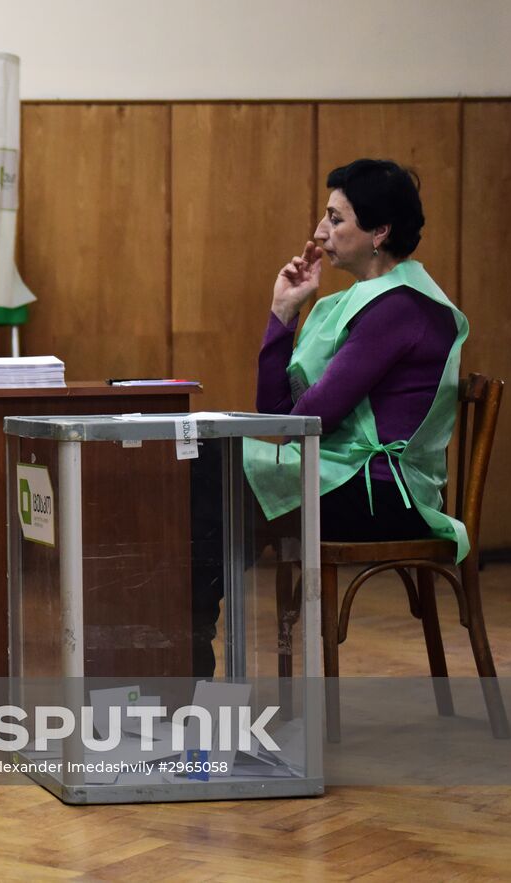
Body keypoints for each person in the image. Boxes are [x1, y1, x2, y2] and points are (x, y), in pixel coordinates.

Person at [193, 158, 467, 676]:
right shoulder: (357, 303)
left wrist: (286, 356)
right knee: (211, 471)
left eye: (336, 219)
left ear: (380, 231)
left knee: (208, 467)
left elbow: (304, 420)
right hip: (344, 476)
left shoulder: (399, 308)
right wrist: (284, 313)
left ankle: (186, 643)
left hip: (383, 493)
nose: (319, 232)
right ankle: (186, 637)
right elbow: (280, 417)